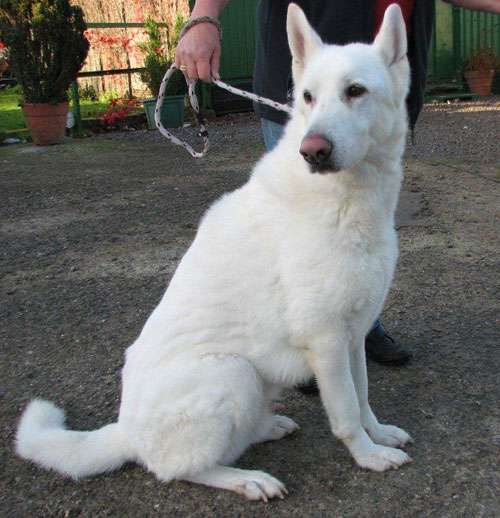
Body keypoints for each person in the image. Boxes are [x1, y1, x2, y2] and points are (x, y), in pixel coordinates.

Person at [175, 0, 500, 369]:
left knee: (362, 229)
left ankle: (358, 325)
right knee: (301, 241)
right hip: (306, 84)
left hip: (377, 85)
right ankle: (305, 343)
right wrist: (205, 14)